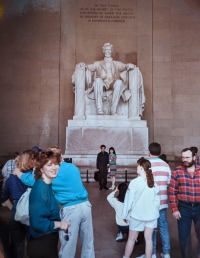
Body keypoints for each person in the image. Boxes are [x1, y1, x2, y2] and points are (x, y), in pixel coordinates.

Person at [13, 146, 95, 258]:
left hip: (71, 209)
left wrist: (17, 171)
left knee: (68, 246)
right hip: (86, 205)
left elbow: (30, 180)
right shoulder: (73, 167)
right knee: (88, 243)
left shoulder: (54, 172)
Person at [26, 150, 70, 258]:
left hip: (46, 243)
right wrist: (60, 224)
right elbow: (38, 224)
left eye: (56, 164)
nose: (54, 167)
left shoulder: (46, 185)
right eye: (49, 165)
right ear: (41, 168)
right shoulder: (41, 190)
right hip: (42, 245)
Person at [77, 42, 135, 115]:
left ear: (112, 51)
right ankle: (99, 108)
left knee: (119, 82)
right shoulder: (98, 63)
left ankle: (113, 110)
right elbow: (90, 67)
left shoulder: (116, 63)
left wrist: (128, 65)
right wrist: (83, 65)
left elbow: (124, 66)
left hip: (113, 82)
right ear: (103, 51)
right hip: (103, 83)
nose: (108, 51)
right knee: (97, 80)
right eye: (106, 50)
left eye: (110, 50)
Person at [1, 149, 37, 258]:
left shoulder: (12, 177)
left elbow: (3, 196)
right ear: (31, 161)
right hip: (32, 209)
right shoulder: (33, 176)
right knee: (33, 241)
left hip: (16, 210)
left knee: (17, 243)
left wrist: (13, 209)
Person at [122, 157, 160, 258]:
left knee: (131, 239)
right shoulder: (153, 182)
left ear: (142, 168)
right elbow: (157, 201)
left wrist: (125, 214)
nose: (137, 168)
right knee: (148, 239)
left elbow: (128, 201)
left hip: (137, 215)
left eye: (138, 166)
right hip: (151, 215)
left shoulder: (134, 182)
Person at [169, 148, 200, 258]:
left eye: (187, 157)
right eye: (183, 157)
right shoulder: (177, 172)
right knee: (184, 237)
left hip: (199, 207)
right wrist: (175, 209)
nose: (185, 159)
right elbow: (172, 191)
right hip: (184, 208)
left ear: (194, 158)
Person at [142, 142, 171, 258]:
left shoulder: (147, 166)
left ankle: (152, 252)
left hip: (150, 202)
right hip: (162, 201)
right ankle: (166, 252)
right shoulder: (166, 165)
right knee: (163, 226)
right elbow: (169, 183)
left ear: (149, 152)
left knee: (151, 228)